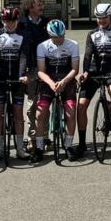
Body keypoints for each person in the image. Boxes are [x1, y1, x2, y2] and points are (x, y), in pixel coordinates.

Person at [78, 3, 111, 160]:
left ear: (110, 17)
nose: (101, 21)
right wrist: (84, 72)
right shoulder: (92, 34)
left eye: (104, 18)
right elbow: (87, 54)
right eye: (98, 18)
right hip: (93, 72)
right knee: (81, 105)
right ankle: (82, 143)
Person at [0, 6, 30, 161]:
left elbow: (24, 57)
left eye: (12, 21)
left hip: (17, 79)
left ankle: (19, 149)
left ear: (17, 20)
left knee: (18, 114)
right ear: (2, 20)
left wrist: (22, 75)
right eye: (6, 20)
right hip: (0, 78)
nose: (9, 24)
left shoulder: (23, 35)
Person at [33, 19, 79, 162]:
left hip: (67, 80)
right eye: (55, 37)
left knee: (71, 113)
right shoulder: (42, 46)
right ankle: (39, 148)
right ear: (49, 35)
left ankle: (69, 145)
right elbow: (40, 71)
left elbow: (75, 69)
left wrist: (64, 81)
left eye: (61, 36)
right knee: (40, 114)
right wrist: (52, 83)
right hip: (48, 81)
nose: (59, 39)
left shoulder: (73, 45)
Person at [20, 0, 50, 147]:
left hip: (46, 67)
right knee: (32, 104)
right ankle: (33, 137)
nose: (42, 6)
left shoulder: (46, 23)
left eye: (42, 3)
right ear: (30, 7)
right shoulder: (22, 25)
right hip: (31, 68)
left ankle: (44, 136)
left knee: (45, 103)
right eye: (39, 4)